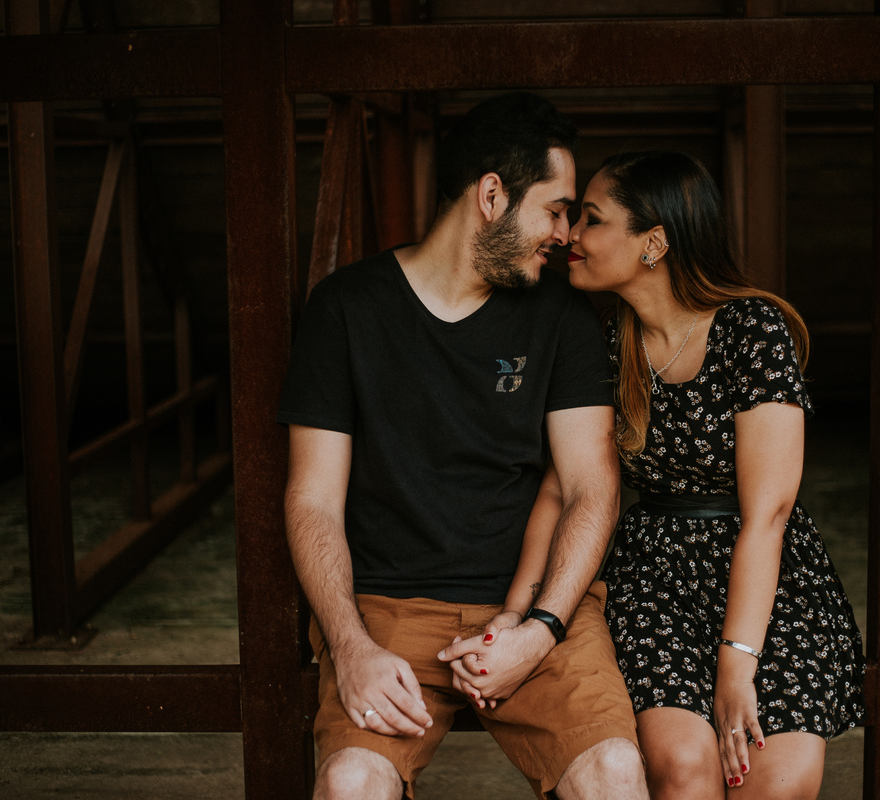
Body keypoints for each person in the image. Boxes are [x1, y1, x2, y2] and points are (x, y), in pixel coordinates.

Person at [277, 93, 648, 800]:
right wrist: (350, 645)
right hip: (387, 612)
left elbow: (590, 488)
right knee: (351, 783)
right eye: (556, 209)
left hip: (537, 605)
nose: (567, 234)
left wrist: (540, 629)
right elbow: (312, 500)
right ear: (490, 196)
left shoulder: (560, 315)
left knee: (614, 775)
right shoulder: (346, 309)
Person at [463, 150, 865, 799]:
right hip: (655, 578)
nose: (571, 236)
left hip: (766, 580)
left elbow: (768, 513)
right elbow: (563, 489)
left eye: (591, 219)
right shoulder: (603, 341)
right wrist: (517, 614)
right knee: (683, 768)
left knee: (776, 784)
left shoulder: (752, 330)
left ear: (653, 242)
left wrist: (737, 668)